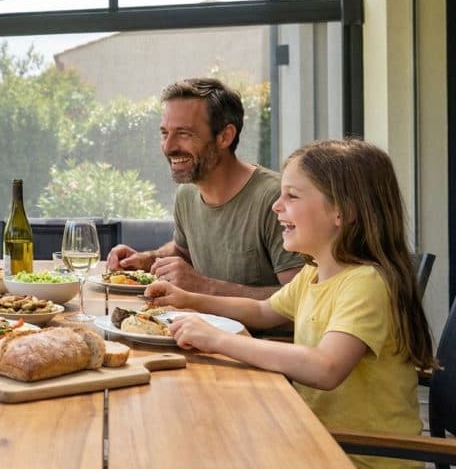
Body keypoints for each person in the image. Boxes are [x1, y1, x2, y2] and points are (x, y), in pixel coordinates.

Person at [146, 139, 435, 469]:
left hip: (358, 457)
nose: (276, 206)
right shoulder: (315, 273)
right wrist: (189, 300)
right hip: (311, 436)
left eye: (292, 196)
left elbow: (326, 368)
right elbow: (263, 311)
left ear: (344, 211)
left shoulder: (366, 283)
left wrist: (219, 340)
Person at [107, 77, 303, 297]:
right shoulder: (187, 193)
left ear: (225, 136)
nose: (169, 146)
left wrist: (203, 287)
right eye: (164, 133)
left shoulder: (276, 200)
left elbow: (301, 302)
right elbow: (184, 251)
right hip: (198, 327)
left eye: (184, 133)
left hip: (258, 333)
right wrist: (147, 260)